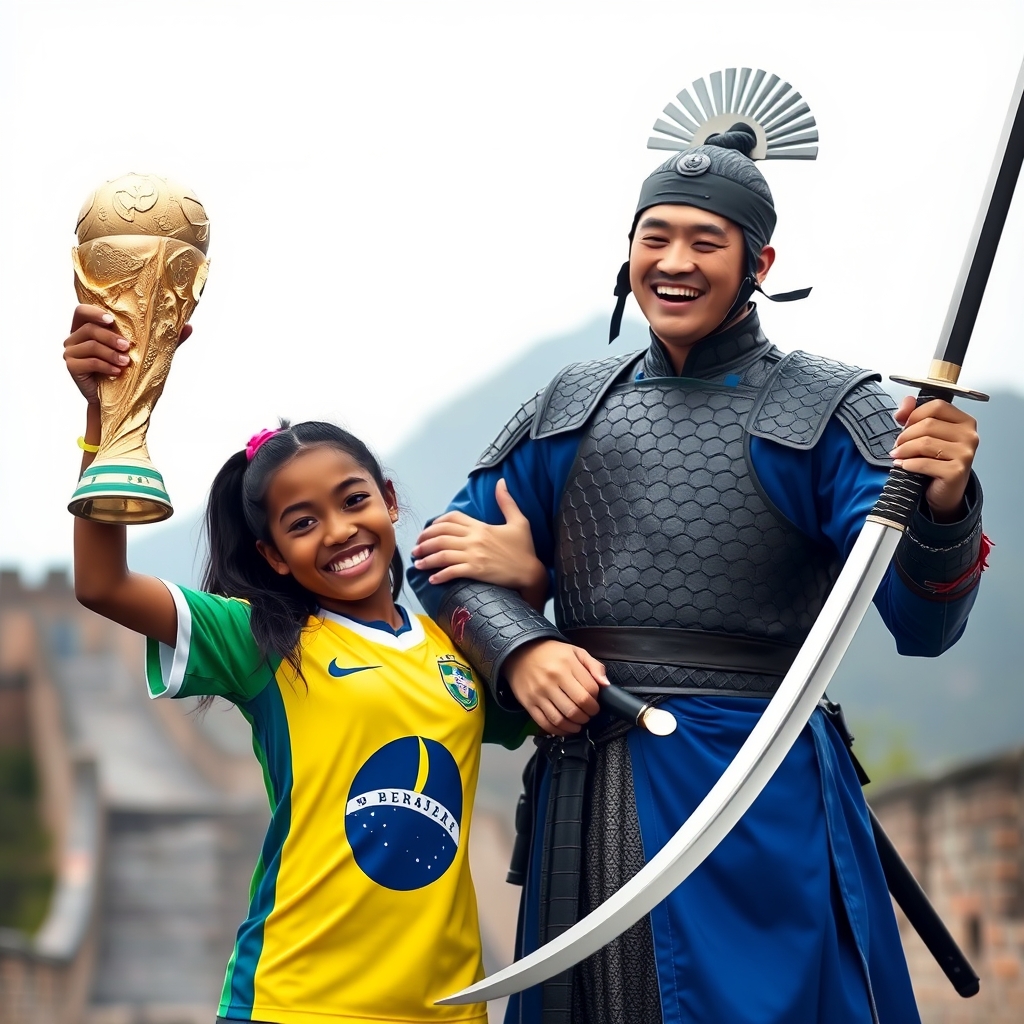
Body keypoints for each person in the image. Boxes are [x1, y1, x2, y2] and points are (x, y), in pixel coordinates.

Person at [408, 124, 987, 1024]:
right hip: (591, 775)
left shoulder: (830, 407)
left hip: (759, 787)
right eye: (656, 237)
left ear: (760, 259)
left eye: (705, 241)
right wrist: (524, 647)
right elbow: (442, 562)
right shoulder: (571, 405)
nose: (675, 261)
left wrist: (947, 506)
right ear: (630, 250)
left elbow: (924, 627)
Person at [62, 303, 532, 1024]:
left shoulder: (454, 646)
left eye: (354, 501)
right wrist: (109, 421)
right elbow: (102, 584)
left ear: (390, 502)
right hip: (294, 1002)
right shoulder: (262, 640)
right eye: (302, 522)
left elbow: (544, 705)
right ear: (274, 556)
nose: (339, 531)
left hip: (446, 1009)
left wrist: (528, 583)